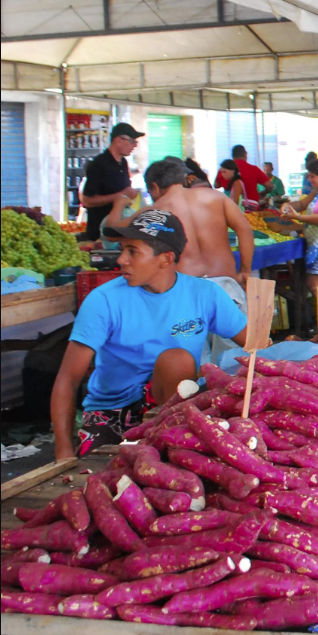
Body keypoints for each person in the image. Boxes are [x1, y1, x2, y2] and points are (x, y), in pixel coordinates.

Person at [50, 209, 250, 460]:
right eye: (122, 249)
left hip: (170, 408)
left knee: (177, 360)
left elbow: (256, 345)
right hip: (113, 412)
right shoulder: (103, 300)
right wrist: (63, 454)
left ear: (165, 258)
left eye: (132, 251)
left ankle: (169, 441)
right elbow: (67, 379)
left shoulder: (205, 294)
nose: (121, 259)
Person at [106, 158, 254, 288]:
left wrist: (119, 203)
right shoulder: (216, 197)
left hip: (187, 289)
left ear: (155, 187)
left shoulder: (154, 211)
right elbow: (245, 229)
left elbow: (111, 233)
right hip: (225, 283)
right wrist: (245, 270)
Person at [271, 158, 318, 296]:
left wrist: (297, 217)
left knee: (313, 284)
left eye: (312, 176)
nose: (309, 179)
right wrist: (287, 206)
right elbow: (302, 205)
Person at [80, 122, 144, 241]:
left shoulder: (123, 163)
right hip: (100, 233)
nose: (134, 146)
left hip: (119, 230)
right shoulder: (99, 164)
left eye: (136, 142)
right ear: (118, 140)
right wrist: (119, 196)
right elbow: (87, 201)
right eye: (132, 141)